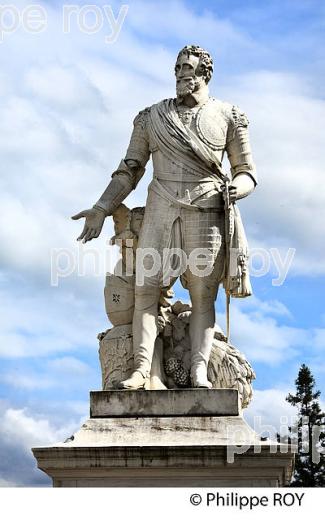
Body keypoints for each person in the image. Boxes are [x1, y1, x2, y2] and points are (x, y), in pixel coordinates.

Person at [72, 45, 257, 389]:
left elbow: (247, 171)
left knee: (203, 295)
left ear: (204, 73)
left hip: (207, 210)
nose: (181, 73)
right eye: (177, 68)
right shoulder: (151, 117)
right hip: (160, 208)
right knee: (146, 291)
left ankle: (199, 371)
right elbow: (128, 170)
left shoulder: (230, 115)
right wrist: (101, 208)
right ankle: (141, 370)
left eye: (188, 67)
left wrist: (238, 188)